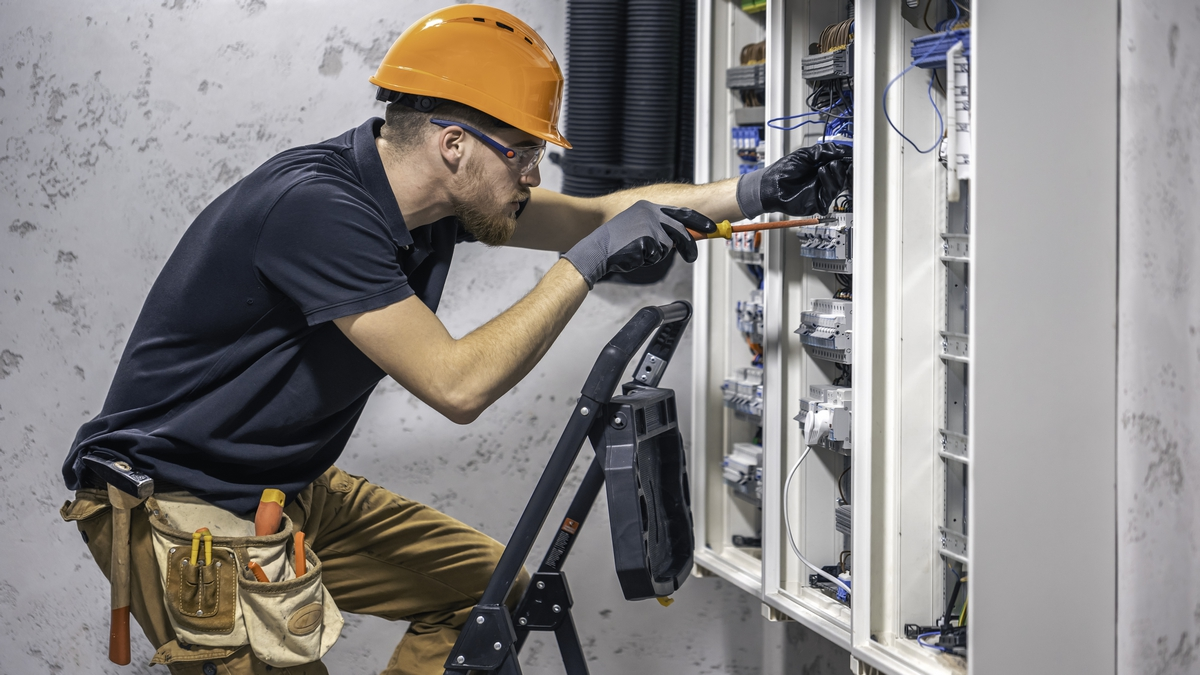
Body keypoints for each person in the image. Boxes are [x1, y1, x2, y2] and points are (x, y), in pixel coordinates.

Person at [58, 5, 850, 675]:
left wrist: (751, 192)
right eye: (528, 154)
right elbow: (456, 384)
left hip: (281, 484)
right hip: (180, 505)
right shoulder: (317, 210)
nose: (535, 177)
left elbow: (596, 214)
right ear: (453, 143)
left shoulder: (439, 208)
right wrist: (582, 269)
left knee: (485, 585)